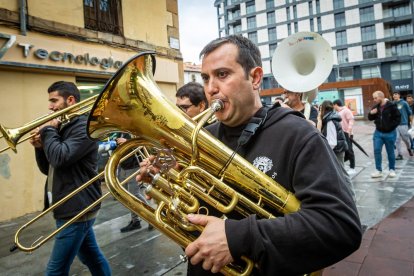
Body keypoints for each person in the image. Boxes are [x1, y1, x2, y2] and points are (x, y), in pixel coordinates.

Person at [137, 35, 362, 275]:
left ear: (254, 78)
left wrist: (239, 237)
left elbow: (339, 227)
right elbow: (196, 214)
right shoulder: (202, 137)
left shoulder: (298, 135)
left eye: (222, 75)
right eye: (206, 78)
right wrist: (167, 186)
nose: (211, 89)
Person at [29, 81, 111, 275]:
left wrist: (48, 131)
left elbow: (60, 158)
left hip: (77, 207)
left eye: (54, 101)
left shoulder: (83, 126)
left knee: (55, 271)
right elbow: (48, 168)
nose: (49, 106)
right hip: (68, 204)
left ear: (70, 100)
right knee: (92, 258)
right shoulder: (63, 126)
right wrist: (40, 147)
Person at [115, 134, 154, 232]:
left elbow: (143, 143)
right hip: (123, 165)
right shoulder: (120, 130)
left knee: (134, 194)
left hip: (134, 166)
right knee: (127, 195)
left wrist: (127, 142)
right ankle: (135, 220)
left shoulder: (131, 130)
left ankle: (151, 217)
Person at [368, 91, 401, 178]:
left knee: (390, 152)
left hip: (390, 133)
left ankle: (392, 169)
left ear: (381, 97)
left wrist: (390, 127)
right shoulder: (376, 107)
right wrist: (371, 113)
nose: (374, 100)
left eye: (375, 98)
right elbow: (370, 118)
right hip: (378, 133)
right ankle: (378, 170)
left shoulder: (392, 106)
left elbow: (398, 118)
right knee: (377, 150)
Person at [319, 100, 348, 166]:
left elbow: (332, 142)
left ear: (323, 109)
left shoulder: (330, 121)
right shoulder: (332, 117)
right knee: (340, 172)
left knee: (341, 173)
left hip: (336, 151)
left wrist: (327, 152)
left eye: (320, 109)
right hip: (338, 149)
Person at [333, 99, 356, 174]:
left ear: (336, 104)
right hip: (341, 133)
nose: (333, 107)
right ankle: (345, 166)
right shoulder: (337, 112)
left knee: (349, 150)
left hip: (347, 133)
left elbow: (351, 120)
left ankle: (352, 168)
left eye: (334, 105)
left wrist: (348, 130)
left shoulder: (346, 110)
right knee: (344, 150)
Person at [392, 91, 413, 159]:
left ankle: (409, 148)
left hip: (404, 124)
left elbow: (410, 113)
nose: (394, 96)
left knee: (406, 139)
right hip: (395, 125)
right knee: (397, 139)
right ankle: (400, 154)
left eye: (396, 94)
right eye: (393, 95)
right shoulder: (393, 103)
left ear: (399, 95)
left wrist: (411, 123)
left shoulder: (404, 103)